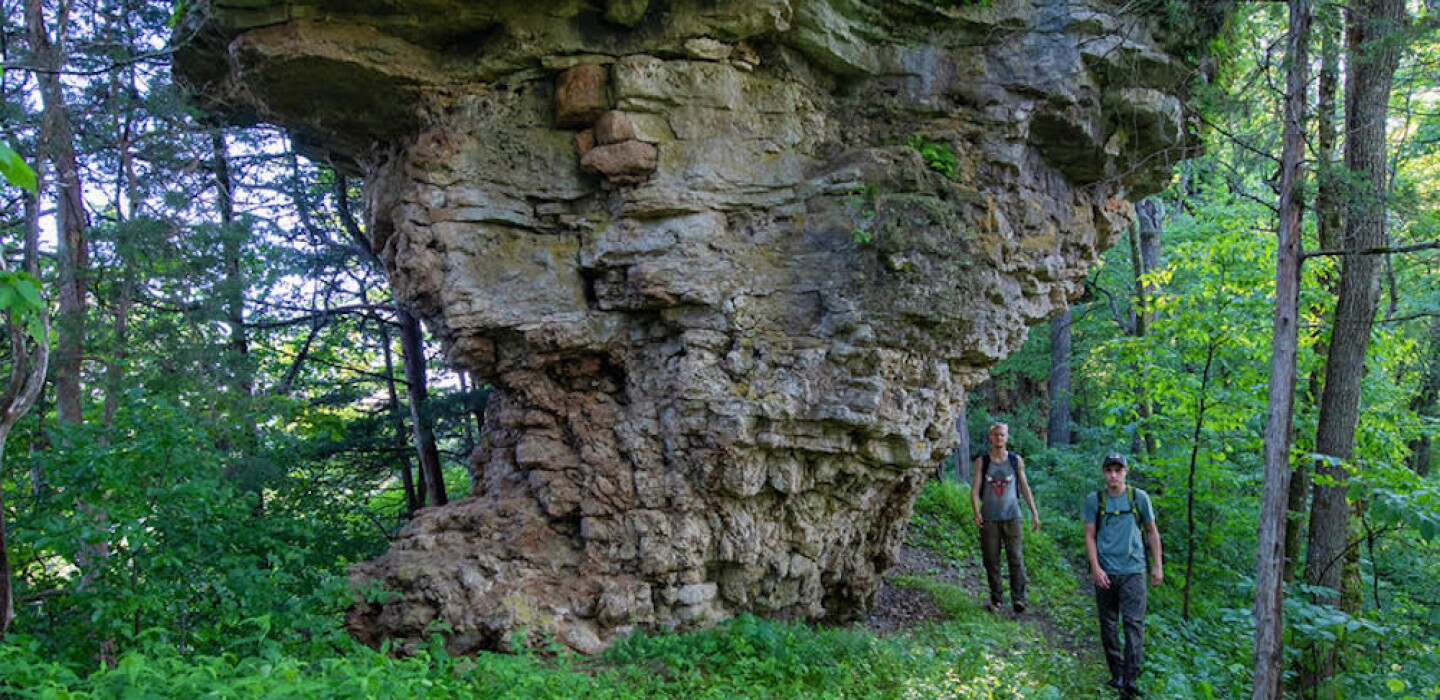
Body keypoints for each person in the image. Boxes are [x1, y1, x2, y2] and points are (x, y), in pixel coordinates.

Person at [1083, 453, 1163, 698]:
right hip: (1106, 571)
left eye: (1118, 470)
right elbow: (1089, 535)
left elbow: (1151, 532)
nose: (1113, 475)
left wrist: (1157, 565)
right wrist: (1095, 567)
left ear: (1126, 472)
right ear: (1103, 472)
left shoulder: (1139, 498)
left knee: (1133, 625)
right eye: (1109, 470)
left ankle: (1130, 679)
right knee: (1108, 625)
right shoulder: (1094, 500)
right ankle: (1116, 673)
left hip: (1133, 572)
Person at [970, 422, 1041, 614]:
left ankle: (1019, 599)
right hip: (989, 517)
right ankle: (996, 599)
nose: (999, 438)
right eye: (996, 435)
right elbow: (975, 489)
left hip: (1012, 516)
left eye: (1002, 435)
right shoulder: (982, 462)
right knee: (991, 559)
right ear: (990, 438)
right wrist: (976, 511)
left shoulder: (1015, 461)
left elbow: (1025, 487)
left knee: (1015, 557)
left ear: (1007, 437)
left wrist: (1034, 512)